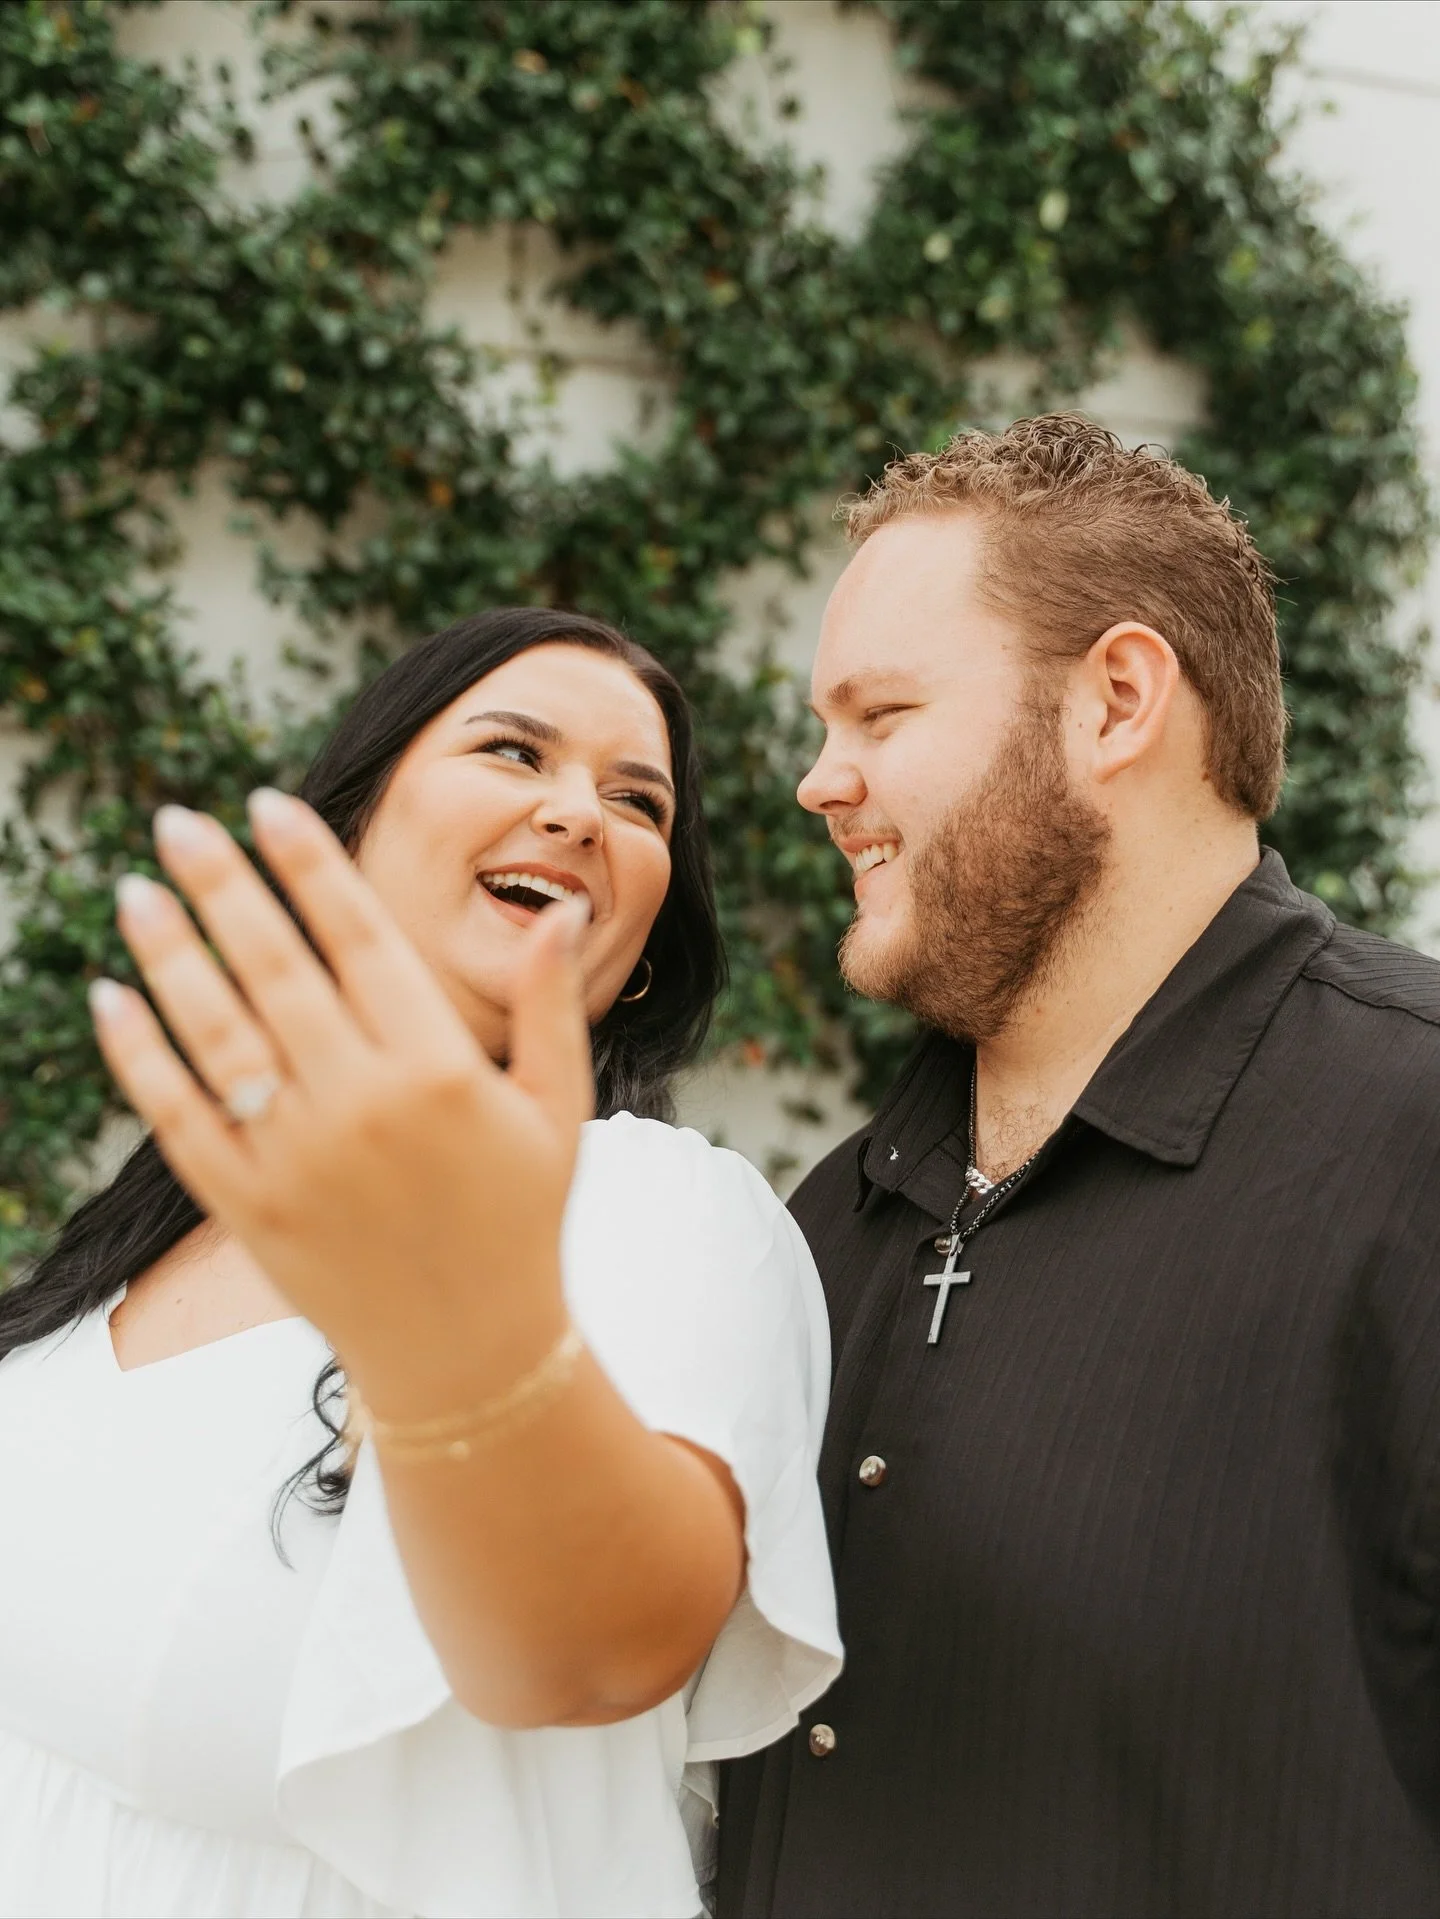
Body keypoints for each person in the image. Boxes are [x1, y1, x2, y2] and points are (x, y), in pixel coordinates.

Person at [0, 608, 841, 1919]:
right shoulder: (171, 1206)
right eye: (516, 751)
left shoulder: (662, 1211)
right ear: (346, 835)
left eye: (639, 800)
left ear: (635, 964)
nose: (580, 812)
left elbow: (600, 1648)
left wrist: (467, 1331)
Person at [718, 414, 1440, 1919]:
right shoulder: (824, 1222)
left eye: (882, 714)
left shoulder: (1417, 1139)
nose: (818, 782)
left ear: (1115, 699)